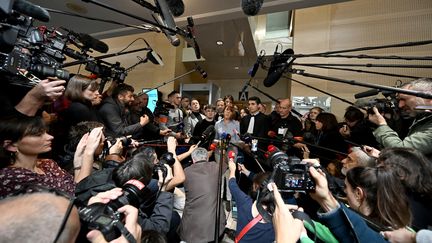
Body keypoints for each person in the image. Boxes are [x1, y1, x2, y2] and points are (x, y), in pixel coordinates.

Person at [0, 116, 101, 198]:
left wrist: (78, 161)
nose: (50, 137)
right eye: (38, 134)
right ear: (11, 146)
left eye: (45, 132)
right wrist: (88, 153)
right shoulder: (9, 177)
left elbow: (76, 187)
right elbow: (73, 199)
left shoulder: (48, 163)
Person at [308, 165, 407, 242]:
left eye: (346, 187)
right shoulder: (402, 228)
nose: (344, 191)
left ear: (358, 194)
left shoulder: (380, 233)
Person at [368, 78, 432, 158]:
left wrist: (382, 125)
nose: (400, 105)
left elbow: (402, 150)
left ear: (428, 97)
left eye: (404, 99)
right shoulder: (422, 116)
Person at [376, 147, 432, 230]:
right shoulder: (420, 193)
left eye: (381, 168)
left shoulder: (409, 212)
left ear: (401, 174)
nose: (377, 172)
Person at [178, 147, 226, 242]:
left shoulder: (185, 172)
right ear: (207, 158)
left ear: (193, 160)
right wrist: (223, 154)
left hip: (191, 230)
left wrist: (188, 152)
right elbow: (225, 164)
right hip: (215, 228)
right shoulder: (216, 167)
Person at [227, 154, 275, 242]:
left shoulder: (245, 202)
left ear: (258, 190)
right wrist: (245, 171)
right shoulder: (280, 217)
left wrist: (232, 170)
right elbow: (261, 182)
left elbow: (232, 184)